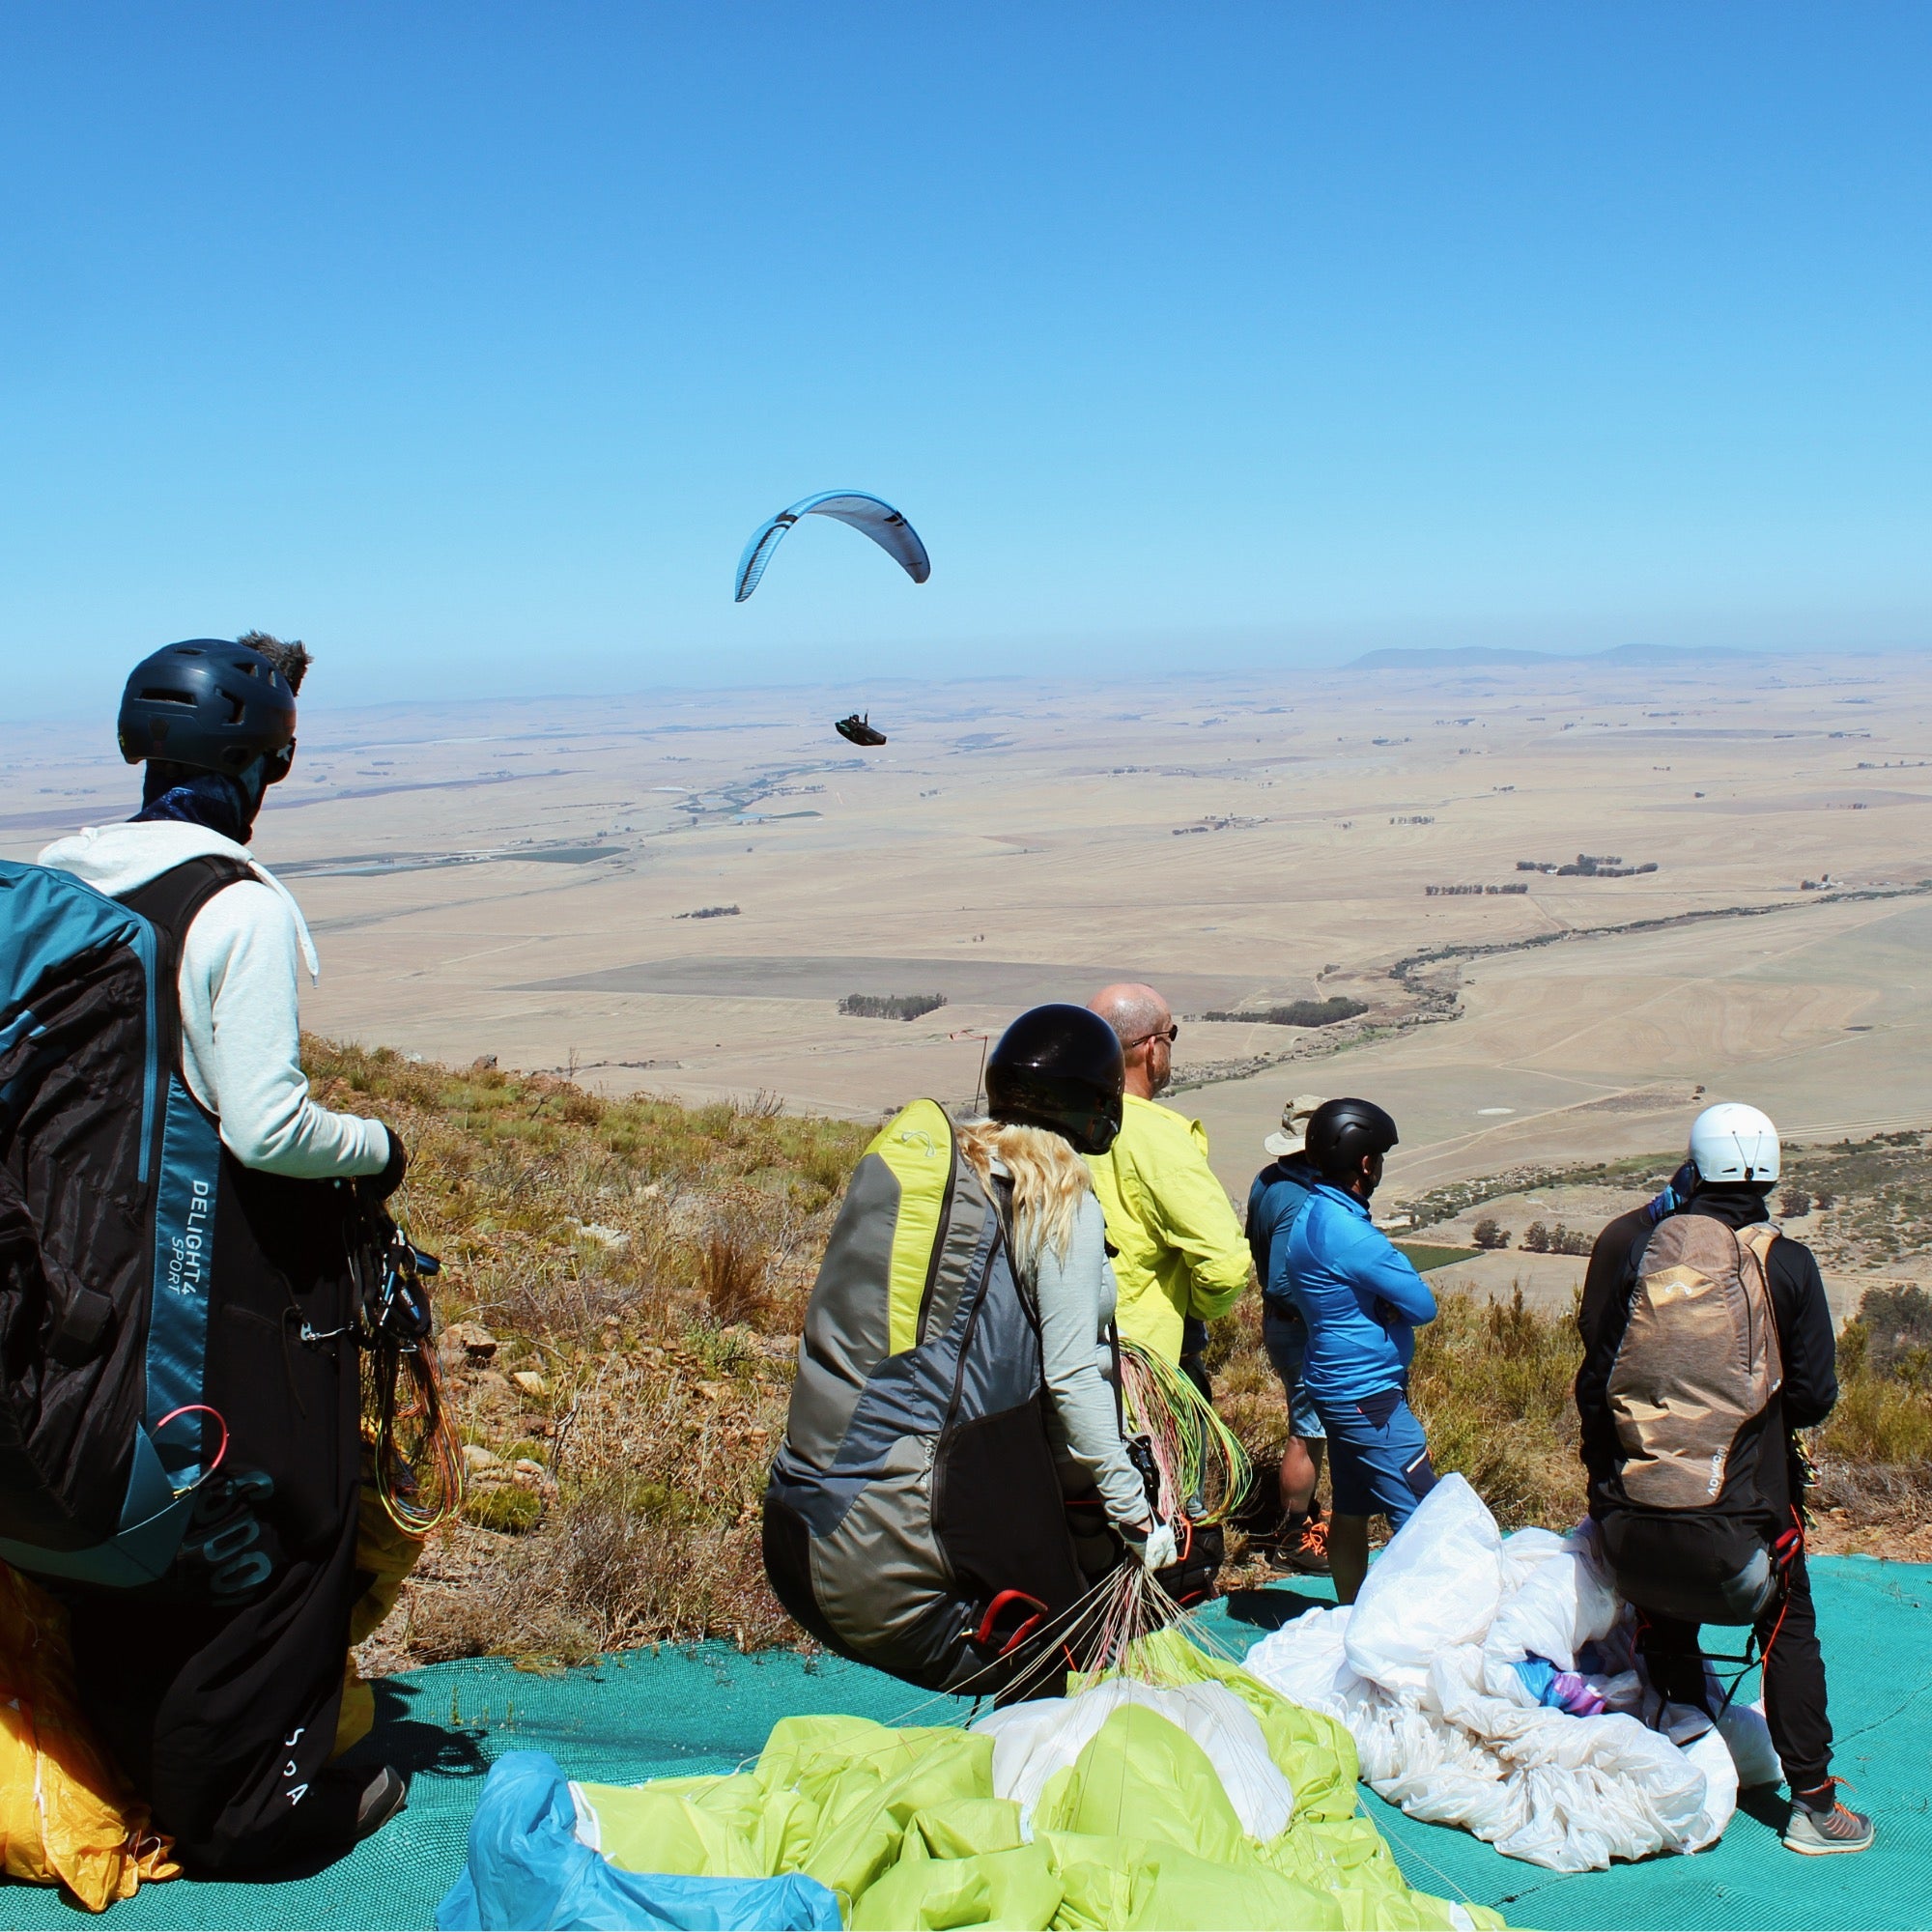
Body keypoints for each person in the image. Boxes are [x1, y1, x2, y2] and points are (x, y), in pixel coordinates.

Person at [37, 636, 412, 1867]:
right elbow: (266, 1125)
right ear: (266, 762)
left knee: (126, 1533)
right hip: (210, 1289)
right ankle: (251, 1808)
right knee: (282, 1519)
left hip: (69, 1295)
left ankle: (125, 1761)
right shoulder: (233, 904)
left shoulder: (62, 875)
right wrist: (380, 1146)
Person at [1577, 1103, 1873, 1857]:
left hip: (1630, 1539)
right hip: (1739, 1542)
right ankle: (1815, 1807)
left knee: (1667, 1617)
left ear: (1696, 1166)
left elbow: (1595, 1385)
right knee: (1788, 1625)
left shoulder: (1642, 1252)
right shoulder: (1787, 1264)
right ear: (1769, 1173)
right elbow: (1813, 1397)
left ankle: (1682, 1753)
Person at [969, 1005, 1177, 1595]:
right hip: (1052, 1467)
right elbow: (1071, 1373)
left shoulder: (973, 1172)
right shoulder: (1060, 1201)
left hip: (975, 1436)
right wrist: (1132, 1510)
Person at [1285, 1098, 1437, 1605]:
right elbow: (1422, 1304)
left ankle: (1351, 1615)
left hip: (1334, 1389)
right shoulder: (1351, 1233)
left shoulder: (1312, 1212)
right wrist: (1387, 1304)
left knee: (1350, 1511)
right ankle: (1424, 1629)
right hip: (1369, 1398)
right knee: (1424, 1515)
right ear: (1366, 1163)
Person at [1083, 982, 1251, 1389]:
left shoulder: (1059, 1123)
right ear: (1151, 1048)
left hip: (1063, 1357)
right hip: (1144, 1367)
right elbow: (1225, 1267)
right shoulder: (1160, 1138)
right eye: (1170, 1034)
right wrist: (1195, 1307)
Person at [1246, 1094, 1330, 1574]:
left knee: (1307, 1425)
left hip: (1282, 1326)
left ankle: (1301, 1518)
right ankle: (1294, 1538)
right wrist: (1330, 1310)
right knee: (1308, 1432)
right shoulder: (1298, 1198)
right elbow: (1280, 1281)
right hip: (1298, 1328)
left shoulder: (1268, 1179)